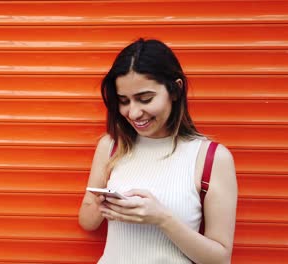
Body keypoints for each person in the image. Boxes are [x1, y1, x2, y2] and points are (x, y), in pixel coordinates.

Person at [78, 38, 238, 263]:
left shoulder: (211, 157)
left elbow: (220, 259)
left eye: (145, 99)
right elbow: (87, 221)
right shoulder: (111, 146)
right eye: (124, 101)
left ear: (175, 90)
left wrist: (161, 218)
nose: (133, 113)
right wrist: (103, 202)